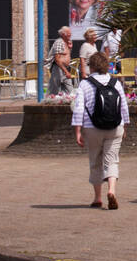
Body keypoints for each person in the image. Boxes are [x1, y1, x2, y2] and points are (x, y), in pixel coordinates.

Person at [71, 51, 130, 209]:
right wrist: (125, 125)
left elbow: (78, 109)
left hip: (92, 128)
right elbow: (123, 106)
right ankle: (111, 190)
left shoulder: (85, 84)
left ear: (92, 66)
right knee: (112, 160)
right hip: (115, 127)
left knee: (95, 162)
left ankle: (97, 198)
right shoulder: (115, 82)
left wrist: (78, 131)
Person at [49, 26, 75, 95]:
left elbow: (66, 55)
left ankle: (70, 103)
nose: (70, 34)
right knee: (54, 91)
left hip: (65, 69)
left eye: (70, 33)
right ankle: (51, 103)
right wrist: (66, 71)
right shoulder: (59, 42)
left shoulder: (68, 42)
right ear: (63, 34)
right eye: (68, 33)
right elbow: (57, 59)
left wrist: (70, 48)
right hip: (58, 69)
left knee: (70, 90)